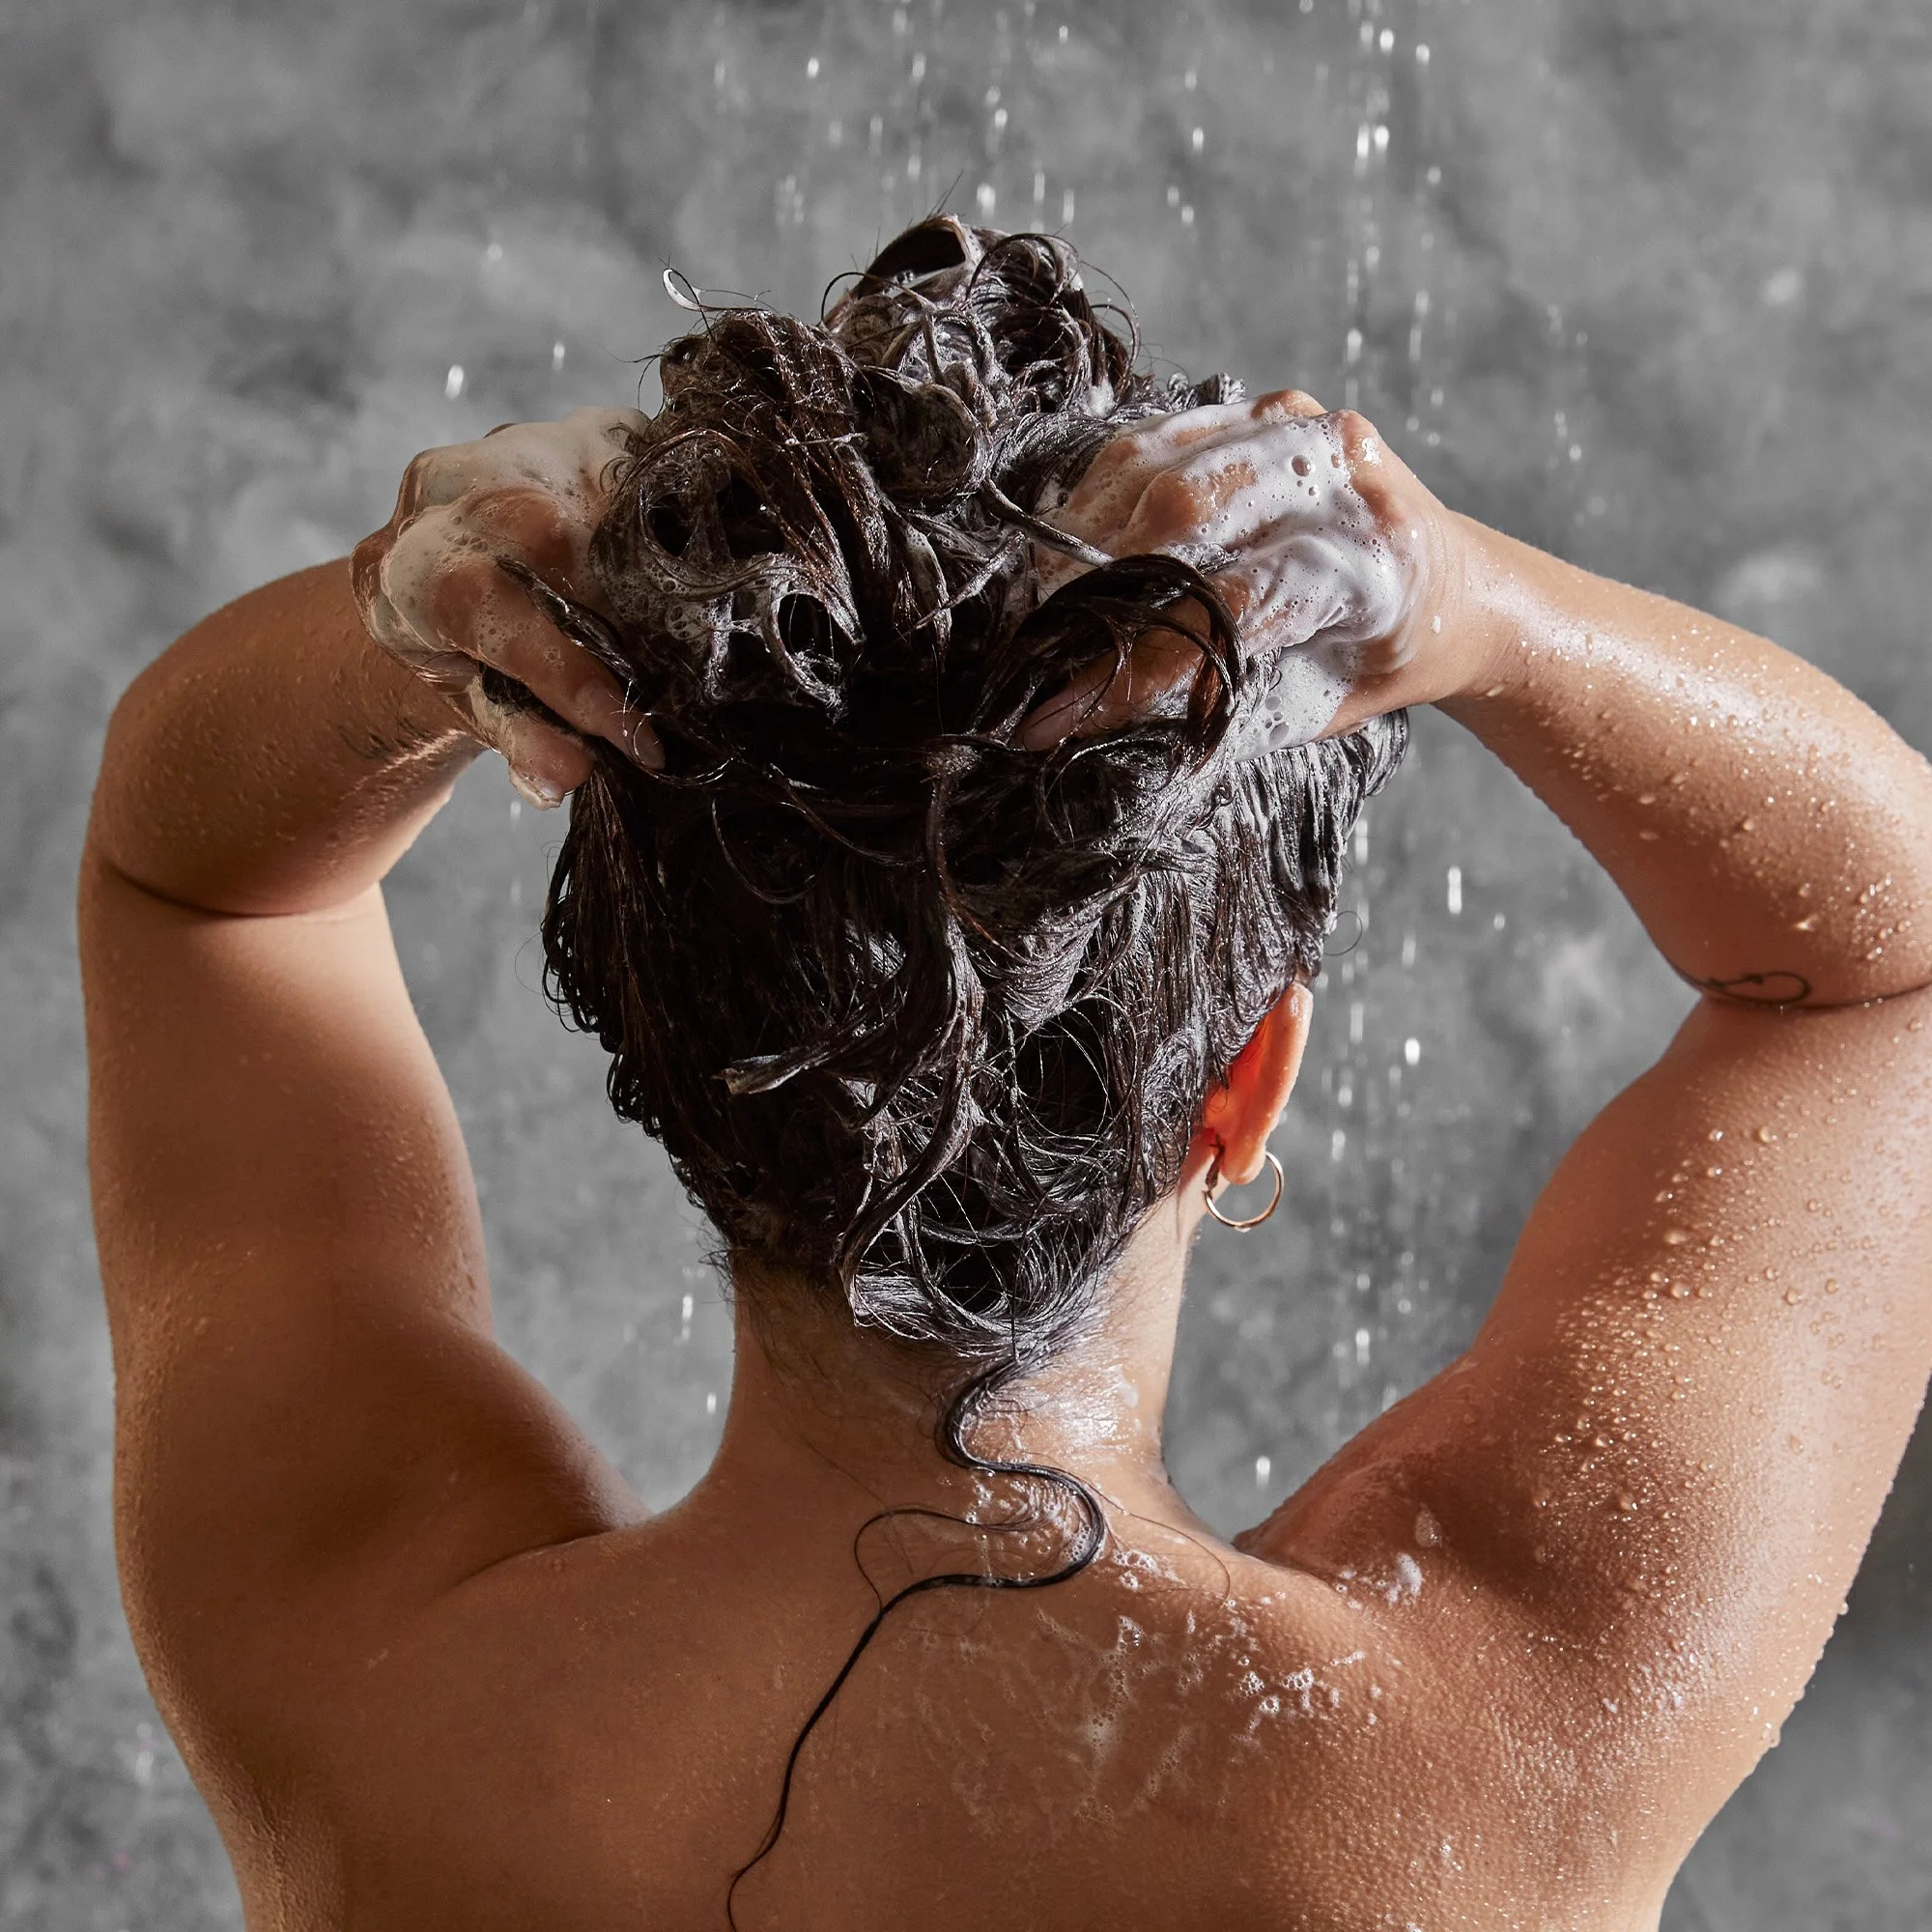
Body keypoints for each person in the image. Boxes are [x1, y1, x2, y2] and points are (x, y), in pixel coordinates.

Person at [80, 217, 1932, 1930]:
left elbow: (195, 887)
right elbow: (1883, 971)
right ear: (1250, 1083)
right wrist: (1465, 599)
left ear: (680, 1058)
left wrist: (417, 622)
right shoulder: (1490, 1767)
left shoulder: (376, 1697)